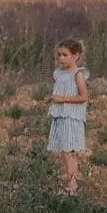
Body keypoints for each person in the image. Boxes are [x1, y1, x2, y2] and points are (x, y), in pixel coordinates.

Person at [47, 39, 89, 191]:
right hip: (60, 116)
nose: (61, 58)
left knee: (67, 149)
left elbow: (83, 97)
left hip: (71, 117)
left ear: (76, 55)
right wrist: (53, 98)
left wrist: (62, 99)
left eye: (65, 55)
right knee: (66, 150)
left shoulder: (78, 74)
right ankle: (73, 179)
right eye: (59, 55)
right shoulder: (59, 74)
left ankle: (73, 182)